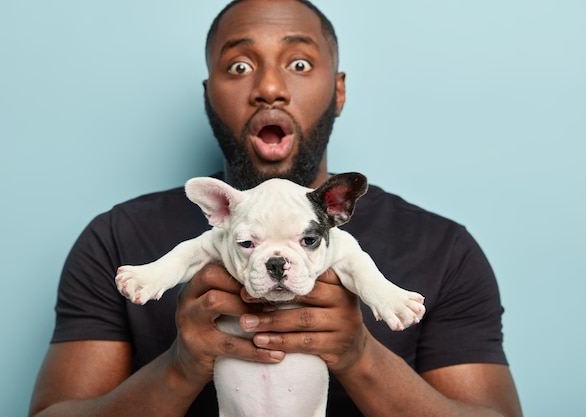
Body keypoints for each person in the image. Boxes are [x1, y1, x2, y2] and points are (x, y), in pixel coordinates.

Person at [29, 0, 523, 416]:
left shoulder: (444, 248)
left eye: (300, 64)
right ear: (208, 95)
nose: (269, 87)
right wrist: (180, 366)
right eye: (239, 66)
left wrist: (359, 356)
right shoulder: (117, 238)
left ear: (340, 89)